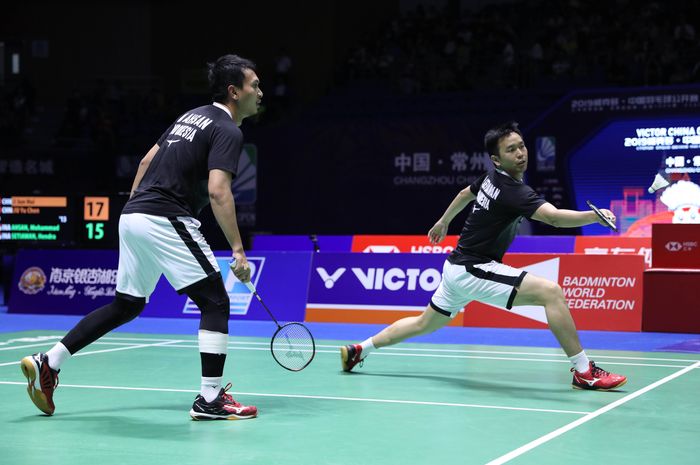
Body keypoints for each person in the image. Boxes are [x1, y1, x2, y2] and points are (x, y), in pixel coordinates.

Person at [20, 54, 264, 418]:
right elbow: (218, 191)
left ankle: (49, 362)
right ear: (234, 92)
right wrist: (238, 251)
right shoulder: (228, 129)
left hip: (134, 214)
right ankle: (210, 399)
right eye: (254, 85)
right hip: (165, 217)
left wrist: (137, 206)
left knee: (127, 305)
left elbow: (146, 161)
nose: (260, 92)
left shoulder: (190, 116)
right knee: (215, 302)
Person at [340, 121, 627, 391]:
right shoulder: (512, 189)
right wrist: (593, 217)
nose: (520, 153)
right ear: (497, 159)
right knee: (551, 293)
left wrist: (443, 221)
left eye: (521, 146)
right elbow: (553, 218)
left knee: (423, 324)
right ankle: (583, 372)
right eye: (510, 150)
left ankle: (358, 350)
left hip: (456, 269)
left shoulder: (491, 178)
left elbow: (466, 193)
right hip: (472, 268)